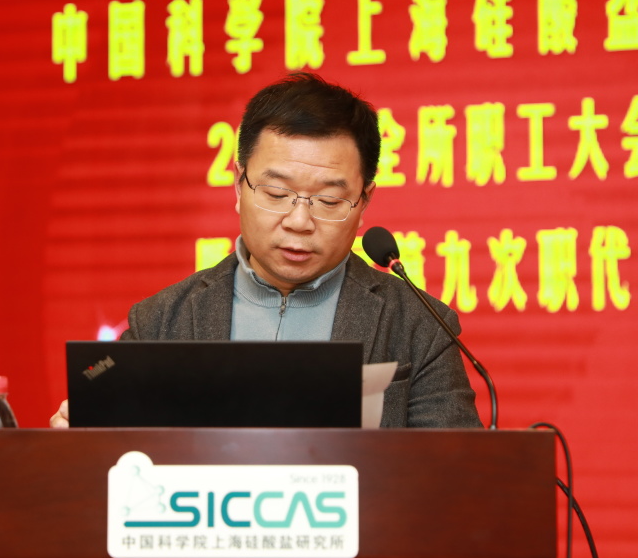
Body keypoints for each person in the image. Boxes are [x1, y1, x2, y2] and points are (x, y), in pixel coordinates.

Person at [51, 73, 481, 428]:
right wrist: (80, 439)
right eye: (276, 194)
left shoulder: (421, 327)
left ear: (363, 202)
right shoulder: (162, 321)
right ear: (239, 187)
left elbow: (454, 475)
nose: (299, 220)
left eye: (329, 200)